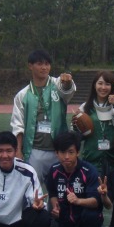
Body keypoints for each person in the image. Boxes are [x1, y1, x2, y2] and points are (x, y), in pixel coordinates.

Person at [11, 49, 75, 185]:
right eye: (40, 64)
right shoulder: (22, 95)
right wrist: (18, 151)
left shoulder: (57, 84)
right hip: (35, 150)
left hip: (59, 151)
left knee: (61, 190)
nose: (44, 67)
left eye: (47, 64)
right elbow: (18, 125)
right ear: (30, 66)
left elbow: (68, 91)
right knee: (33, 189)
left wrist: (68, 83)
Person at [46, 132, 103, 227]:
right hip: (66, 222)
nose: (67, 157)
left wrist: (78, 201)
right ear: (56, 153)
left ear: (78, 152)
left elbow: (96, 201)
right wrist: (55, 206)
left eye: (71, 152)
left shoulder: (89, 171)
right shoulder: (54, 170)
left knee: (92, 216)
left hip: (85, 218)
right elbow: (52, 193)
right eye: (62, 152)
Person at [72, 70, 114, 175]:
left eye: (107, 84)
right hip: (92, 162)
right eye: (100, 83)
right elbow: (78, 137)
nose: (103, 87)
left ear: (112, 87)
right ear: (94, 85)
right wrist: (76, 126)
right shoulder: (84, 108)